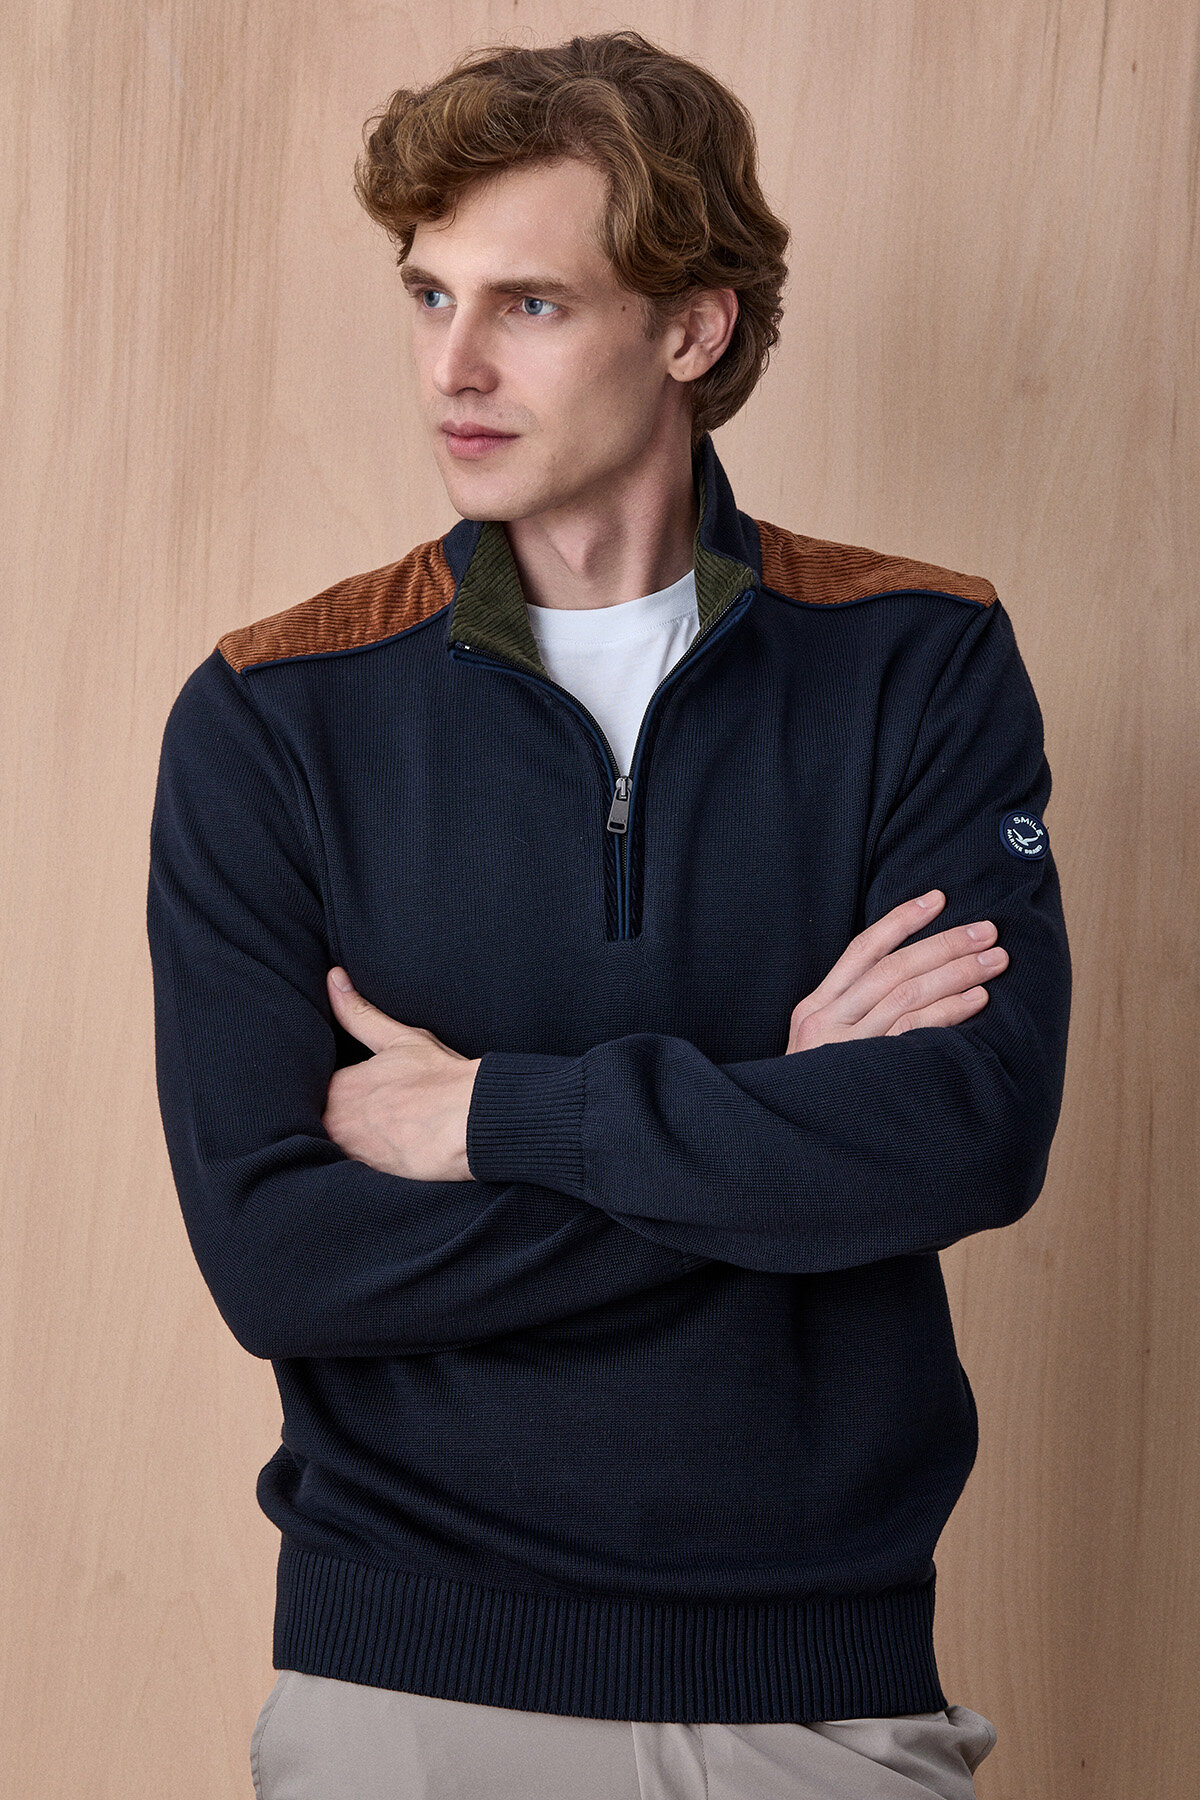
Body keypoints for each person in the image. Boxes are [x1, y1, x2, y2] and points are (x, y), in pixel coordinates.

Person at [146, 29, 1070, 1800]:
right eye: (430, 296)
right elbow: (283, 1260)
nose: (453, 367)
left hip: (813, 1692)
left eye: (531, 305)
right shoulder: (275, 713)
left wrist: (496, 1116)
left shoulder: (918, 662)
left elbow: (965, 1137)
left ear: (692, 329)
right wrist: (773, 1116)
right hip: (401, 1691)